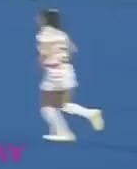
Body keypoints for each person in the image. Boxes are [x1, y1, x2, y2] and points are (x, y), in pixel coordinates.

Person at [35, 8, 103, 141]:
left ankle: (63, 132)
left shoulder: (43, 35)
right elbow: (73, 50)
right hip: (67, 70)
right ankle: (90, 113)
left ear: (45, 19)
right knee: (64, 105)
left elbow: (44, 55)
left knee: (47, 106)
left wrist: (43, 64)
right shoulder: (63, 34)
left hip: (54, 73)